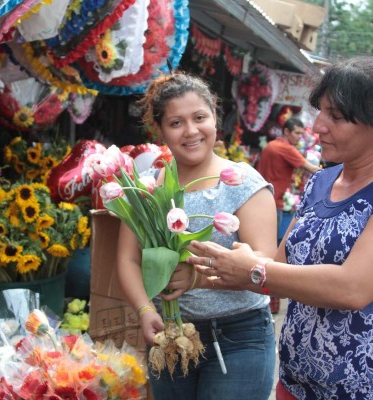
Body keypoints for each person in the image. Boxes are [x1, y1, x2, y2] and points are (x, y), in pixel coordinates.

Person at [175, 56, 373, 399]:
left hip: (370, 388)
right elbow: (282, 270)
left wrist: (256, 269)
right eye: (321, 112)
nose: (318, 127)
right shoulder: (322, 181)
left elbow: (353, 288)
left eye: (336, 116)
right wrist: (211, 266)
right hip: (298, 384)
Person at [116, 72, 279, 399]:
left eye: (200, 118)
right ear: (160, 130)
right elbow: (128, 258)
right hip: (171, 337)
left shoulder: (242, 183)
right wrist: (144, 310)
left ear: (215, 119)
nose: (191, 131)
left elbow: (264, 268)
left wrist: (199, 278)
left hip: (239, 336)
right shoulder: (147, 188)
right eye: (176, 123)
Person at [257, 117, 320, 232]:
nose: (300, 137)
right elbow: (312, 169)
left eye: (302, 133)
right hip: (274, 203)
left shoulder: (271, 145)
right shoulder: (287, 149)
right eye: (297, 133)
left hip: (260, 199)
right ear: (286, 131)